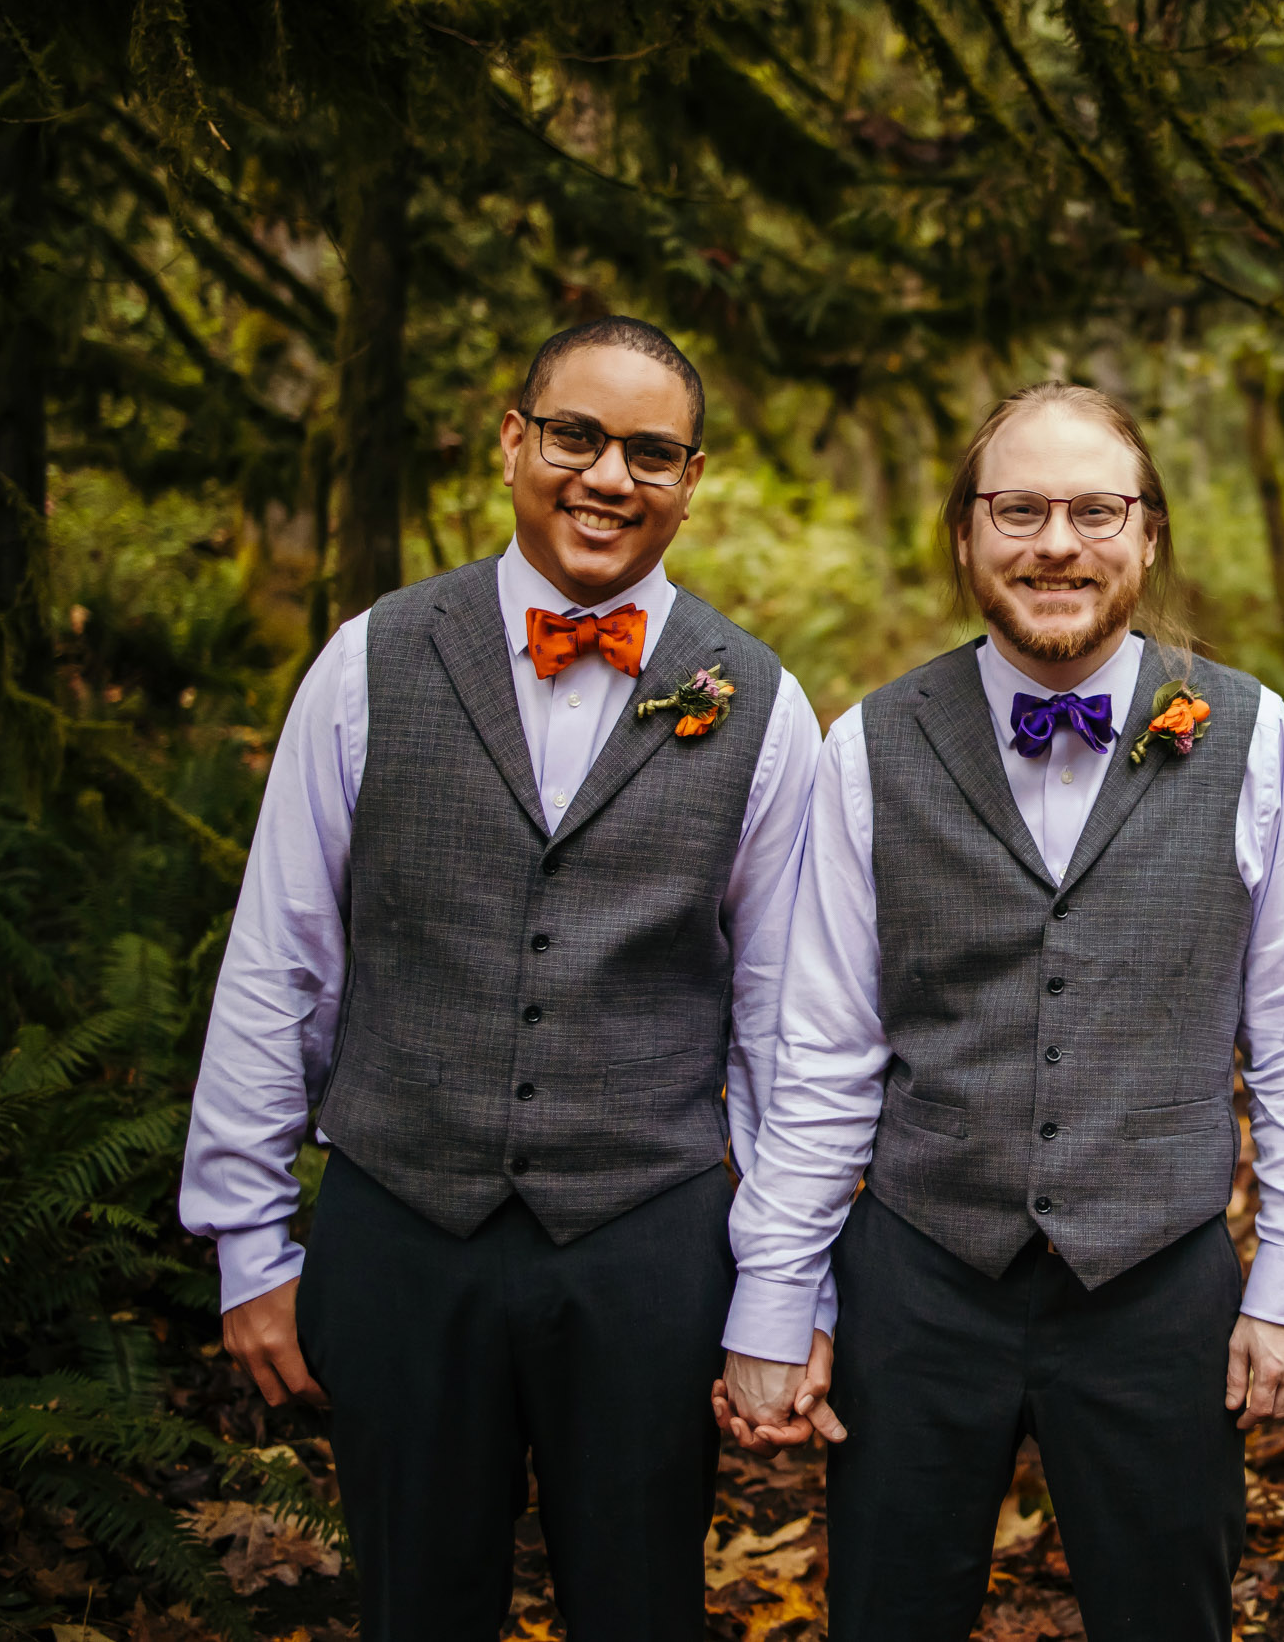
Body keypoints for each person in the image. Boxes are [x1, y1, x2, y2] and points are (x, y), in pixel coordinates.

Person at [180, 316, 825, 1641]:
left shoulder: (761, 702)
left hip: (646, 1242)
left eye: (651, 452)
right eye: (577, 435)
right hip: (401, 1222)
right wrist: (248, 1237)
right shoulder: (371, 658)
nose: (609, 476)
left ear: (691, 479)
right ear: (514, 440)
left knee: (643, 1604)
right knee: (415, 1605)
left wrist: (779, 1286)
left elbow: (782, 1022)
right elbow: (281, 958)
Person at [715, 382, 1284, 1640]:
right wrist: (775, 1296)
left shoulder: (1252, 734)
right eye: (1018, 509)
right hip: (920, 1277)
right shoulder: (871, 743)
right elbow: (823, 1048)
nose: (1055, 543)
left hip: (1158, 1280)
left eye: (1093, 510)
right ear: (965, 536)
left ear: (1147, 534)